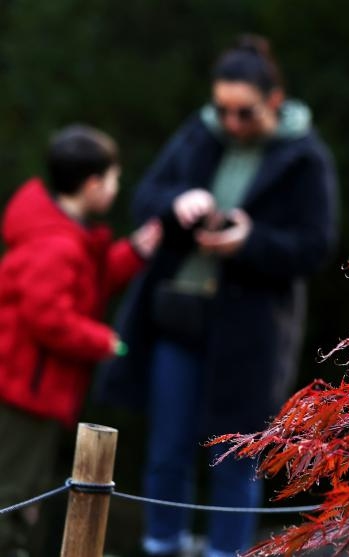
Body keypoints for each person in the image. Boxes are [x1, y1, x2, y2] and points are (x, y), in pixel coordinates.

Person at [95, 34, 338, 557]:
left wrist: (250, 240)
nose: (231, 123)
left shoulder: (305, 157)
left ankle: (227, 552)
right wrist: (179, 201)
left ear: (274, 101)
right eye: (222, 110)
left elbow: (315, 247)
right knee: (166, 449)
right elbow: (145, 198)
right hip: (177, 315)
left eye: (244, 112)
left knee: (235, 454)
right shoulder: (199, 134)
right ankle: (162, 546)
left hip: (251, 331)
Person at [0, 125, 161, 555]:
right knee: (13, 495)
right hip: (23, 393)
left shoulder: (62, 232)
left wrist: (136, 252)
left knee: (25, 493)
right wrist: (103, 340)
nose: (115, 188)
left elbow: (86, 282)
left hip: (33, 390)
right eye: (113, 179)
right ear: (92, 184)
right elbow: (47, 317)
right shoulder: (57, 243)